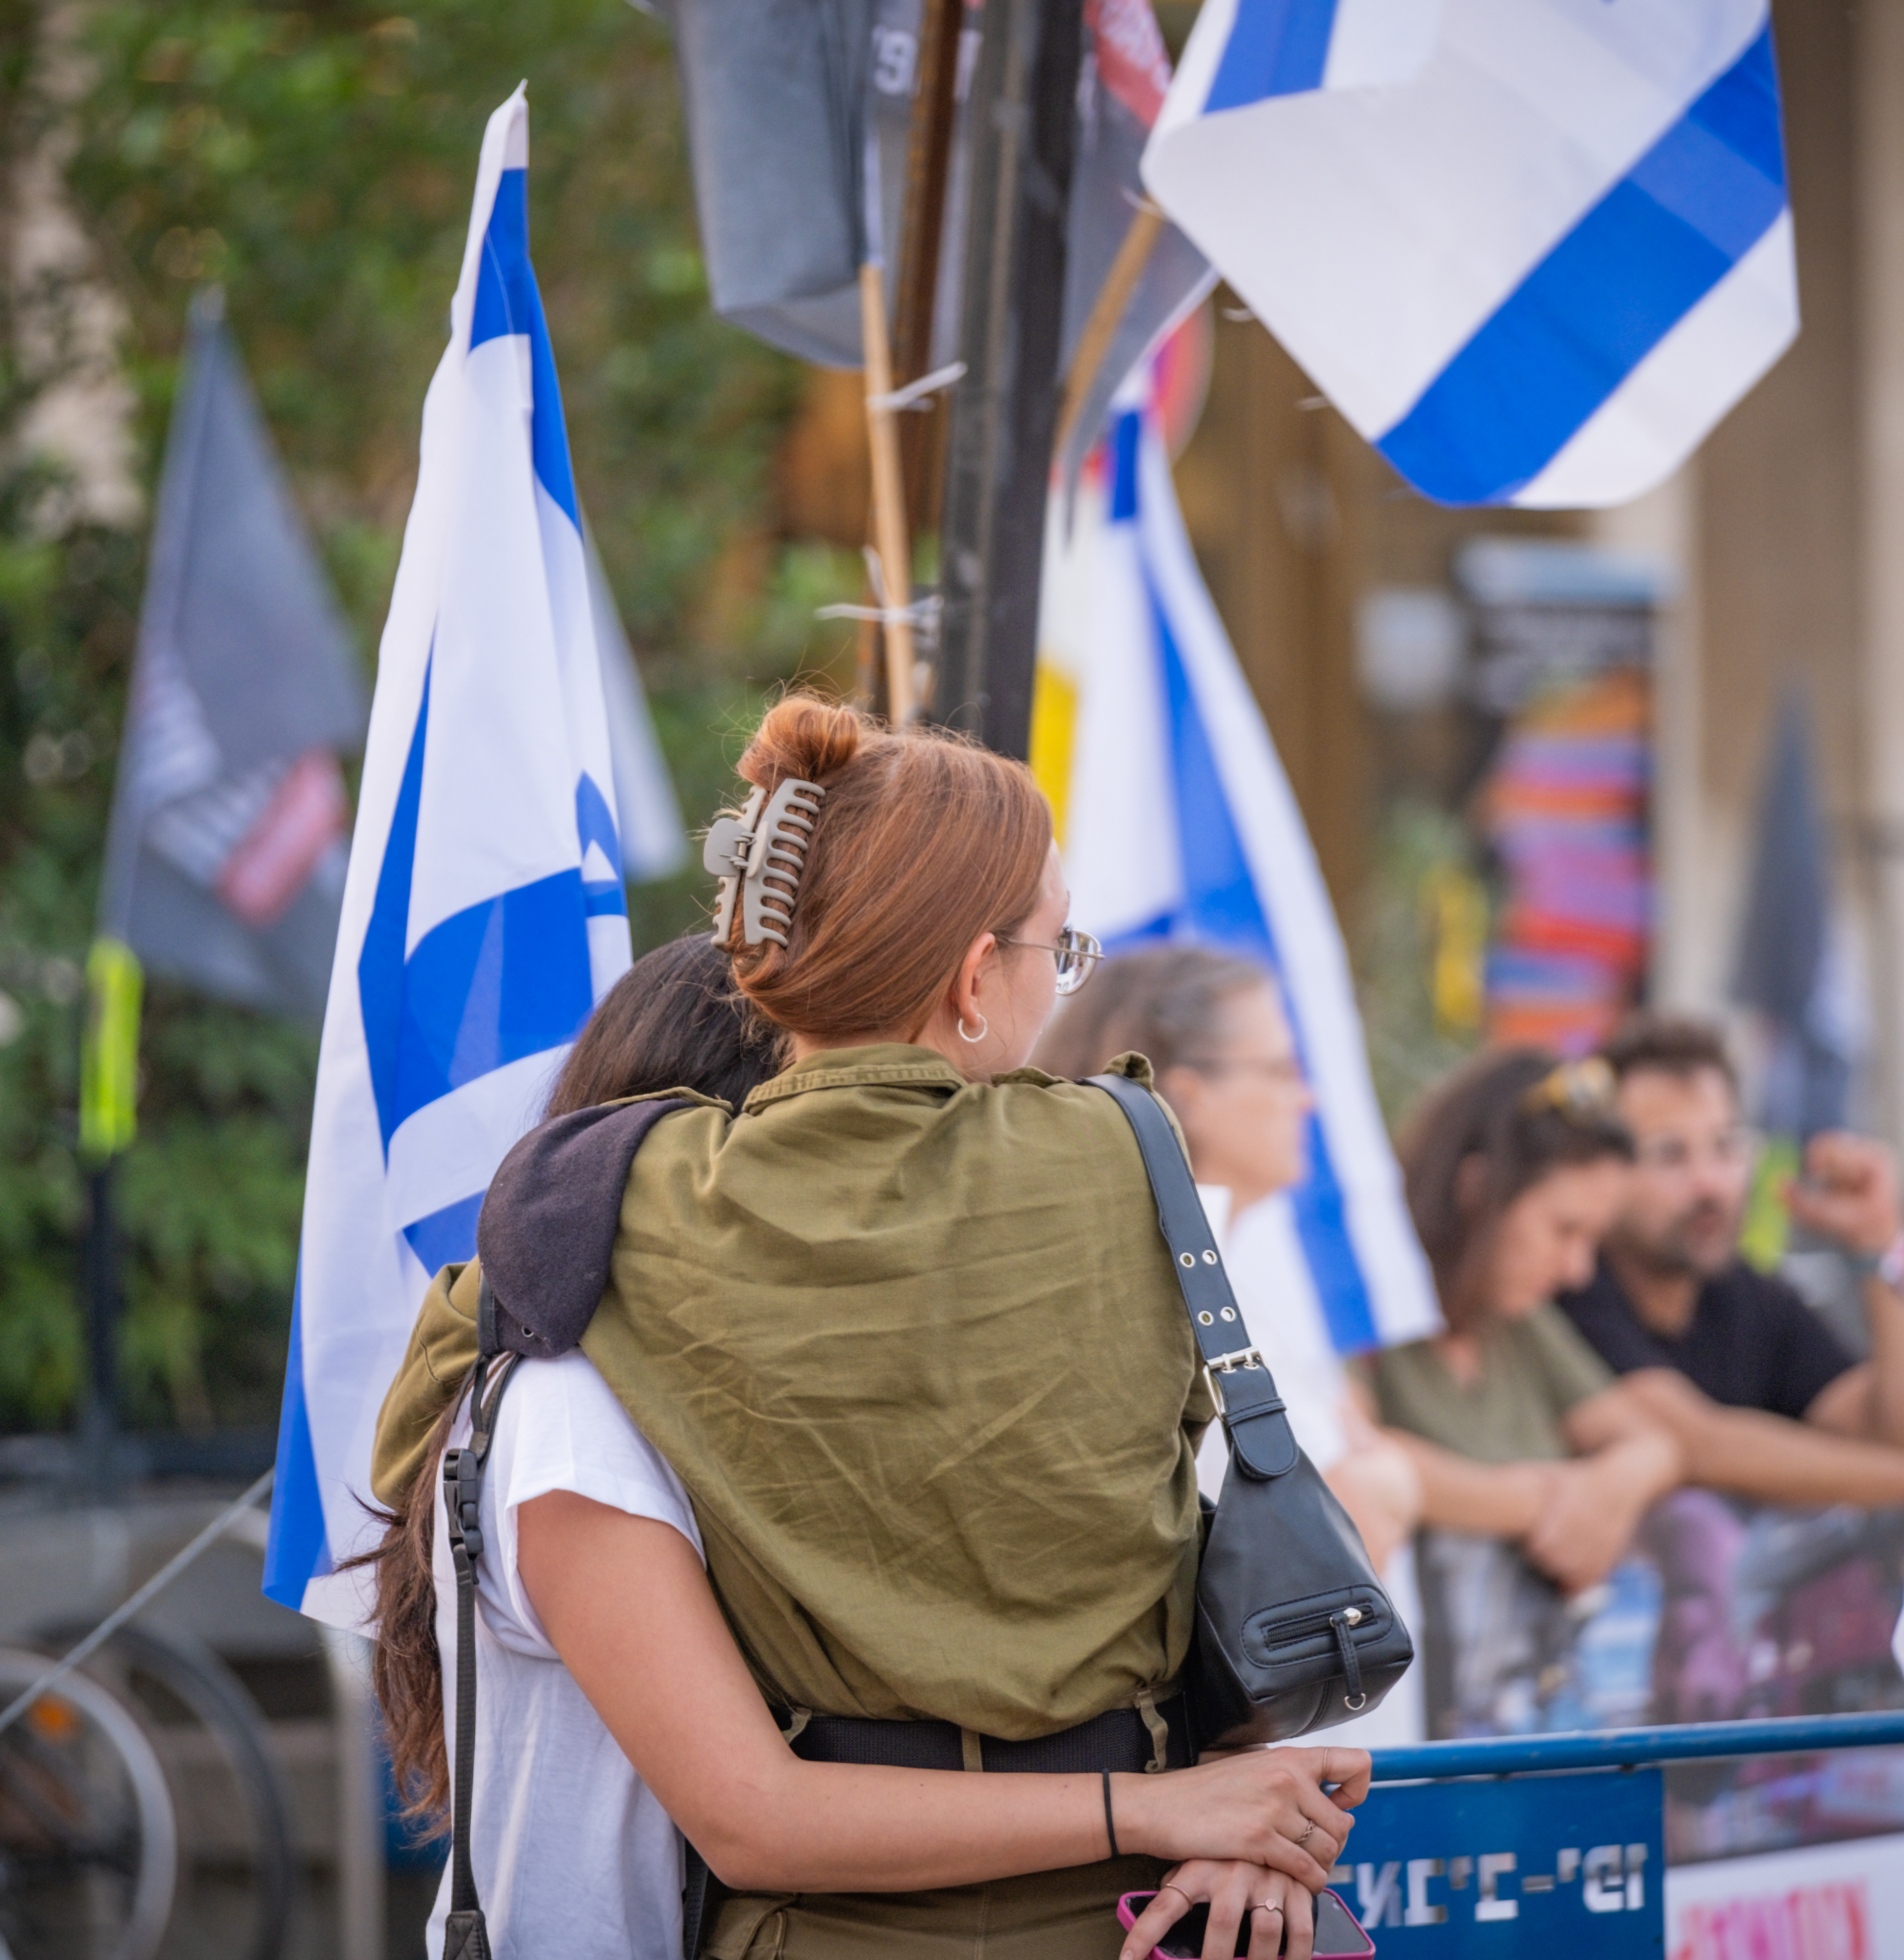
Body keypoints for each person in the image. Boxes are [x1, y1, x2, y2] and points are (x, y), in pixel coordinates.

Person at [375, 704, 1368, 1960]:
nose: (1058, 983)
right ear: (972, 975)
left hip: (826, 1922)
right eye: (1057, 949)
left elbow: (450, 1370)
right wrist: (1201, 1799)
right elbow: (1175, 1530)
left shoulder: (626, 1197)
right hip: (1143, 1907)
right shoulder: (1122, 1148)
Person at [1032, 946, 1422, 1586]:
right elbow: (1339, 1544)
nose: (1307, 1099)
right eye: (1281, 1070)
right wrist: (1392, 1477)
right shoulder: (1169, 1291)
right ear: (1191, 1096)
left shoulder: (1205, 1272)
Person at [1553, 1014, 1904, 1508]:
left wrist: (1881, 1242)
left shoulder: (1749, 1296)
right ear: (1604, 1171)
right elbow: (1697, 1443)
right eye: (1670, 1154)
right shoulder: (1572, 1283)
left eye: (1726, 1146)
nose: (1709, 1183)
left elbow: (1894, 1433)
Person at [1367, 1049, 1684, 1594]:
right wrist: (1545, 1503)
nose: (1579, 1271)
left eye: (1593, 1240)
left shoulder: (1518, 1322)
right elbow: (1351, 1455)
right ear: (1477, 1190)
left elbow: (1656, 1446)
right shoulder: (1368, 1311)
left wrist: (1610, 1488)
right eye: (1565, 1230)